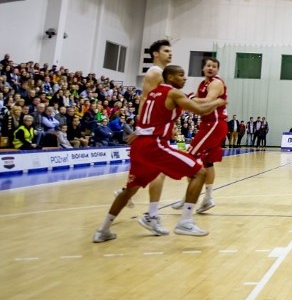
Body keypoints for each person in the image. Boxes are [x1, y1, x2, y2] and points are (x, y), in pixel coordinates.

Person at [92, 65, 226, 243]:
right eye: (181, 75)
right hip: (154, 144)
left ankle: (103, 230)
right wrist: (218, 102)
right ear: (169, 77)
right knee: (199, 172)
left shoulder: (151, 95)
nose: (184, 79)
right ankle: (185, 221)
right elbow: (200, 110)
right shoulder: (173, 93)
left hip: (139, 145)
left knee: (130, 189)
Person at [114, 40, 173, 231]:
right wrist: (141, 128)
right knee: (159, 171)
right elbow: (145, 100)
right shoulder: (154, 73)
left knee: (147, 173)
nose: (170, 54)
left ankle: (125, 194)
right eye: (166, 51)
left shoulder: (160, 73)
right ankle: (152, 215)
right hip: (152, 128)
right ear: (156, 54)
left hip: (157, 127)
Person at [173, 57, 228, 214]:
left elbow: (206, 102)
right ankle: (208, 198)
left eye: (214, 66)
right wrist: (191, 99)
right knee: (208, 162)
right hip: (210, 124)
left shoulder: (216, 83)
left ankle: (187, 199)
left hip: (214, 124)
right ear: (203, 68)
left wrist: (189, 97)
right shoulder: (202, 84)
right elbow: (197, 103)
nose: (211, 68)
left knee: (189, 159)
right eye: (208, 65)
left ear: (217, 69)